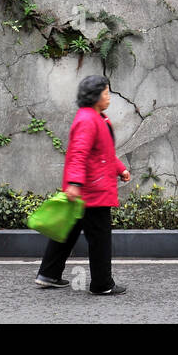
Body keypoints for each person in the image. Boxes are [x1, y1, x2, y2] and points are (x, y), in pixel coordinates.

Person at [35, 74, 132, 295]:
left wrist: (120, 169)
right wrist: (74, 183)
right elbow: (78, 153)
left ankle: (48, 274)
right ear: (95, 95)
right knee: (100, 237)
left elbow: (104, 153)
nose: (109, 96)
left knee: (67, 231)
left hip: (87, 189)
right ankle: (102, 284)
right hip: (92, 191)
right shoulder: (88, 120)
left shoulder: (97, 118)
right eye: (106, 92)